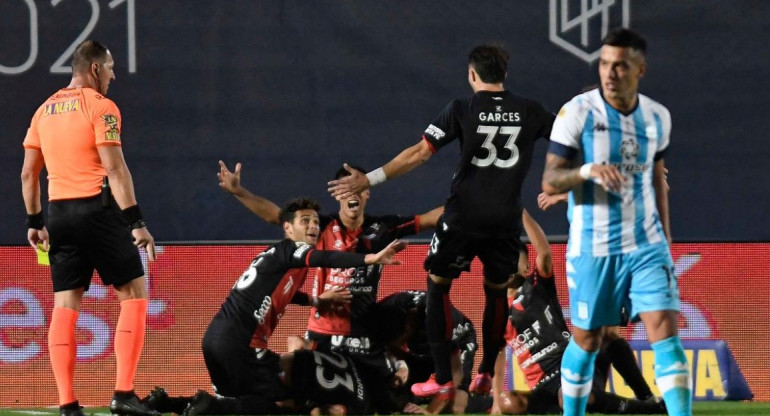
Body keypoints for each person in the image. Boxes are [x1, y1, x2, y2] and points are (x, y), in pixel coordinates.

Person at [328, 44, 555, 411]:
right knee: (497, 293)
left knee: (437, 286)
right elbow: (571, 134)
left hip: (463, 217)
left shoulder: (462, 108)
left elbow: (419, 153)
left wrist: (368, 179)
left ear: (471, 75)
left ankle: (443, 378)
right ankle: (482, 372)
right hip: (504, 221)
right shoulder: (530, 110)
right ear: (505, 75)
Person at [541, 28, 690, 416]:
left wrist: (667, 242)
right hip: (594, 247)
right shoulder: (577, 111)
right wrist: (588, 170)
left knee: (664, 332)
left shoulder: (657, 116)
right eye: (604, 64)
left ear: (639, 69)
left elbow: (658, 180)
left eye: (619, 65)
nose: (609, 72)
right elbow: (551, 180)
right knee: (587, 340)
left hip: (646, 244)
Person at [20, 40, 157, 416]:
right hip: (97, 211)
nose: (113, 76)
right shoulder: (101, 107)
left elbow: (29, 174)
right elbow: (115, 169)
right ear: (95, 69)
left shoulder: (43, 110)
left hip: (57, 215)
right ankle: (124, 395)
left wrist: (35, 222)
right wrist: (137, 222)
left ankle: (68, 404)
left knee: (65, 304)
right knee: (134, 293)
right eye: (110, 68)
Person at [181, 198, 406, 415]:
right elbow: (326, 258)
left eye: (316, 222)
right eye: (305, 221)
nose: (313, 226)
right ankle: (209, 405)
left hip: (215, 338)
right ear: (288, 228)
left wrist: (315, 301)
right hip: (242, 343)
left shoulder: (278, 257)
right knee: (285, 401)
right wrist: (370, 259)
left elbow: (281, 290)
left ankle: (167, 403)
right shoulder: (292, 251)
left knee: (225, 404)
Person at [217, 162, 442, 357]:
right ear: (336, 195)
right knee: (310, 393)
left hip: (363, 333)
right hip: (322, 332)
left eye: (358, 187)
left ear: (367, 193)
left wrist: (469, 204)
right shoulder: (321, 227)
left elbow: (431, 219)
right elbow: (277, 216)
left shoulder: (384, 228)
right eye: (345, 189)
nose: (352, 193)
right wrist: (240, 192)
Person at [485, 210, 664, 415]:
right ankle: (571, 406)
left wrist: (519, 210)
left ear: (526, 268)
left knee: (607, 337)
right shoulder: (496, 309)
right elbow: (497, 354)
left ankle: (646, 400)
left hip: (573, 365)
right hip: (542, 387)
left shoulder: (537, 287)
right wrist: (497, 400)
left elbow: (543, 252)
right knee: (509, 402)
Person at [377, 290, 478, 414]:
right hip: (422, 349)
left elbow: (455, 372)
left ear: (410, 324)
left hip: (459, 342)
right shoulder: (384, 309)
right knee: (390, 403)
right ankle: (421, 395)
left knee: (455, 407)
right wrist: (399, 367)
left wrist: (430, 412)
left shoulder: (438, 321)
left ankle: (485, 401)